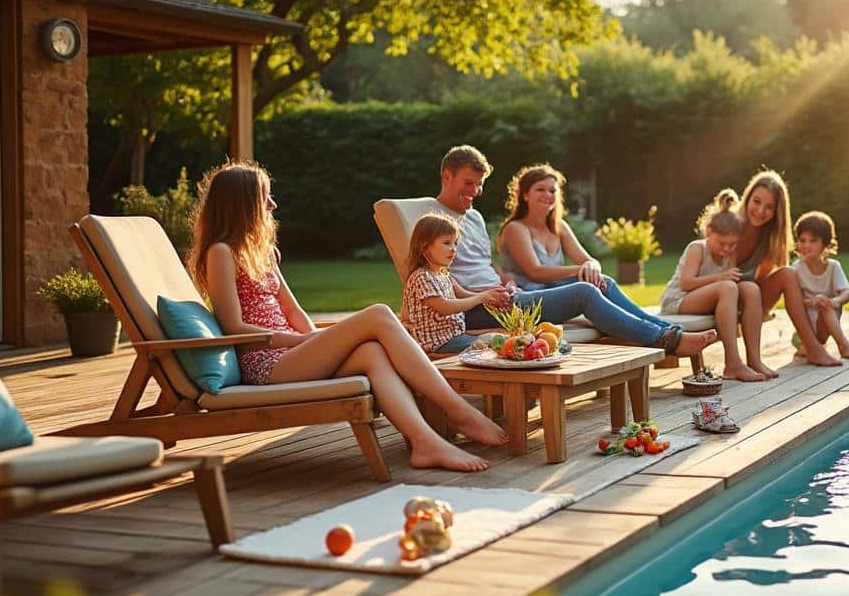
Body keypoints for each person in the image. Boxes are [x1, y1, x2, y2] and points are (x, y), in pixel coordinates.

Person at [190, 162, 508, 473]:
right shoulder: (221, 252)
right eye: (264, 197)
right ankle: (458, 410)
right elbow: (234, 327)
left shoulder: (264, 251)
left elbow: (293, 311)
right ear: (241, 204)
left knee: (372, 352)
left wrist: (318, 339)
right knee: (380, 314)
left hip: (294, 353)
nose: (272, 204)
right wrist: (305, 341)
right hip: (266, 363)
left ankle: (425, 443)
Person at [429, 145, 717, 357]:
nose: (476, 191)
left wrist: (505, 282)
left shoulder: (475, 217)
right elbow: (437, 276)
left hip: (505, 297)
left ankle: (668, 332)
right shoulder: (431, 219)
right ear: (446, 176)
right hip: (475, 308)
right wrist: (482, 296)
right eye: (469, 183)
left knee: (600, 283)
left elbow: (484, 265)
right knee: (584, 292)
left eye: (480, 184)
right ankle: (669, 341)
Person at [658, 189, 775, 382]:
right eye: (722, 243)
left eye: (732, 244)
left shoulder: (730, 253)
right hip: (679, 300)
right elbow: (686, 283)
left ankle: (754, 360)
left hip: (708, 298)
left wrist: (733, 278)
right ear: (709, 232)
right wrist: (721, 278)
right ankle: (733, 364)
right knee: (727, 286)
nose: (727, 249)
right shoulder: (697, 248)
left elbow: (730, 283)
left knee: (751, 289)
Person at [731, 170, 842, 366]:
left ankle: (813, 348)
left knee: (788, 274)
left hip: (747, 298)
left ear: (776, 212)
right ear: (747, 198)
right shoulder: (730, 226)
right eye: (756, 201)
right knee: (750, 288)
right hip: (720, 293)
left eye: (769, 207)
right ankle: (754, 361)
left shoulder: (770, 238)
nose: (760, 210)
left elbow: (762, 281)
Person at [402, 213, 507, 353]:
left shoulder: (444, 275)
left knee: (498, 338)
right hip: (438, 343)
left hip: (455, 336)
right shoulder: (422, 277)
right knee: (491, 345)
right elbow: (444, 307)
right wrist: (480, 298)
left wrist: (487, 296)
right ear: (425, 247)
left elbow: (463, 295)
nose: (453, 249)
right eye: (447, 243)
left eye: (455, 243)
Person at [791, 211, 849, 360]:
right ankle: (840, 345)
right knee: (822, 303)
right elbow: (793, 302)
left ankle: (840, 345)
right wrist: (812, 302)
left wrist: (835, 301)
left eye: (812, 241)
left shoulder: (833, 266)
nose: (806, 245)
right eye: (802, 240)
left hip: (825, 323)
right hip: (804, 333)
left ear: (825, 243)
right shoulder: (796, 268)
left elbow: (846, 292)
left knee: (826, 304)